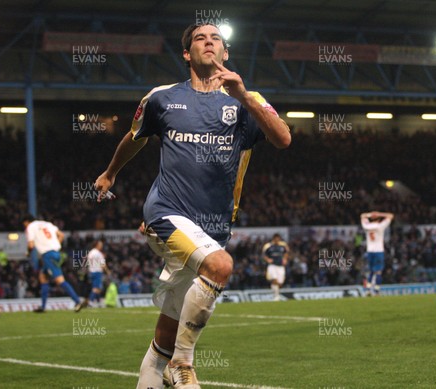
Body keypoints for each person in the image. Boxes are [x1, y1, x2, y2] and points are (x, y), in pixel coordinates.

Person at [95, 23, 290, 389]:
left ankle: (166, 364)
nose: (209, 42)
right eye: (200, 38)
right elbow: (134, 136)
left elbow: (283, 138)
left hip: (213, 228)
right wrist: (110, 173)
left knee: (164, 338)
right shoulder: (162, 97)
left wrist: (245, 96)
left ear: (225, 53)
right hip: (165, 210)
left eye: (216, 38)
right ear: (187, 54)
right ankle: (183, 365)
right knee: (221, 266)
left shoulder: (248, 100)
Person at [22, 215, 87, 313]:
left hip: (48, 255)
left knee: (59, 280)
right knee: (43, 277)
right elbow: (61, 235)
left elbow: (31, 245)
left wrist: (28, 252)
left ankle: (77, 301)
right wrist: (55, 245)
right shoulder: (47, 224)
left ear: (26, 222)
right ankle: (43, 307)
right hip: (56, 253)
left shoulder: (30, 227)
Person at [360, 211, 394, 296]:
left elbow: (362, 216)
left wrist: (370, 214)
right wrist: (379, 214)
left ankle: (368, 290)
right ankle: (376, 290)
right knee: (378, 272)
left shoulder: (366, 226)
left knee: (371, 271)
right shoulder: (380, 226)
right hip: (379, 251)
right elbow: (390, 216)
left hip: (370, 251)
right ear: (379, 220)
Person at [262, 233, 289, 301]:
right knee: (274, 280)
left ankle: (276, 294)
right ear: (273, 239)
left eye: (278, 238)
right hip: (272, 266)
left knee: (280, 283)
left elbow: (286, 253)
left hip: (280, 266)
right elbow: (264, 254)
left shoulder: (283, 245)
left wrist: (285, 259)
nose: (277, 240)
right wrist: (267, 259)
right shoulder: (268, 246)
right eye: (276, 238)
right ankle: (276, 296)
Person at [87, 240, 111, 307]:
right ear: (97, 245)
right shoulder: (99, 254)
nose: (101, 246)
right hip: (97, 272)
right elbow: (103, 264)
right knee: (96, 288)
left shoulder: (91, 252)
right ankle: (90, 301)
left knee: (98, 288)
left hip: (91, 272)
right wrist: (107, 271)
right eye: (100, 244)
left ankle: (98, 301)